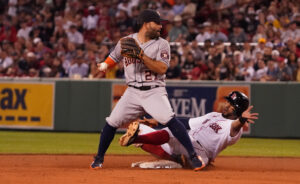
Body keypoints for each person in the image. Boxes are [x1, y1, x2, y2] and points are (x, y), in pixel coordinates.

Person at [91, 9, 204, 171]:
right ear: (146, 24)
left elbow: (161, 68)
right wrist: (104, 65)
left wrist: (141, 55)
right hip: (132, 92)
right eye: (157, 23)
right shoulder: (126, 41)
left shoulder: (162, 44)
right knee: (111, 122)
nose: (160, 26)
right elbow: (114, 57)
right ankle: (99, 158)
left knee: (169, 119)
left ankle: (193, 156)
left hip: (154, 91)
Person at [119, 91, 259, 169]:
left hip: (199, 152)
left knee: (171, 133)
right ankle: (175, 159)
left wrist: (242, 120)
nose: (227, 104)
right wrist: (156, 122)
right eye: (228, 101)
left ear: (238, 110)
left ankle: (135, 139)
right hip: (185, 142)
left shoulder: (234, 128)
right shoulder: (214, 115)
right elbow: (186, 122)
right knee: (143, 128)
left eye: (231, 104)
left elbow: (235, 127)